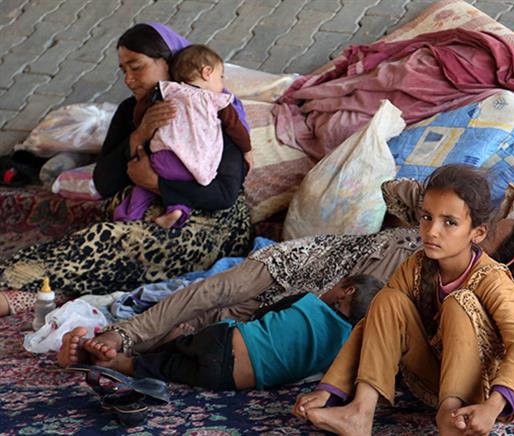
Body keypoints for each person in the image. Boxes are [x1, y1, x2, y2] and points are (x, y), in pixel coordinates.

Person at [57, 180, 514, 370]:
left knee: (210, 330)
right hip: (304, 262)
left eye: (488, 231)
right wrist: (441, 203)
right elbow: (390, 189)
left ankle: (104, 355)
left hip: (309, 306)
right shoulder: (437, 227)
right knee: (215, 288)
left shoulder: (452, 288)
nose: (478, 228)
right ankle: (119, 336)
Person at [0, 22, 251, 318]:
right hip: (153, 210)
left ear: (169, 61)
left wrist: (157, 183)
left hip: (210, 226)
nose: (128, 79)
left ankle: (12, 280)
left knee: (107, 241)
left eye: (137, 67)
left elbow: (224, 194)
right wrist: (139, 135)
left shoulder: (212, 109)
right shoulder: (133, 110)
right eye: (123, 70)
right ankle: (26, 288)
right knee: (111, 232)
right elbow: (103, 183)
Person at [291, 165, 514, 436]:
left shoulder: (492, 278)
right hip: (431, 380)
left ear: (477, 233)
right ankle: (359, 413)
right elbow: (372, 324)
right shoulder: (416, 266)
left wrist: (492, 407)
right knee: (387, 300)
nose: (432, 231)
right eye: (426, 217)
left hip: (477, 390)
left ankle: (449, 417)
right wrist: (329, 390)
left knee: (459, 302)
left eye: (449, 222)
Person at [82, 274, 383, 391]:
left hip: (223, 340)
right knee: (172, 369)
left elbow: (262, 316)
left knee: (193, 343)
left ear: (347, 290)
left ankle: (173, 342)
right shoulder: (346, 346)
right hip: (232, 381)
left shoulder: (308, 301)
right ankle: (124, 364)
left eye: (337, 285)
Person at [115, 43, 252, 229]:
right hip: (195, 167)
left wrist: (141, 124)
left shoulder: (168, 90)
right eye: (221, 77)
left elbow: (142, 106)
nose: (222, 85)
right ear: (207, 72)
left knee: (142, 186)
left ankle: (128, 216)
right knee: (183, 187)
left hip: (163, 159)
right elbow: (235, 127)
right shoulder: (217, 101)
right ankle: (177, 210)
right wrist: (247, 150)